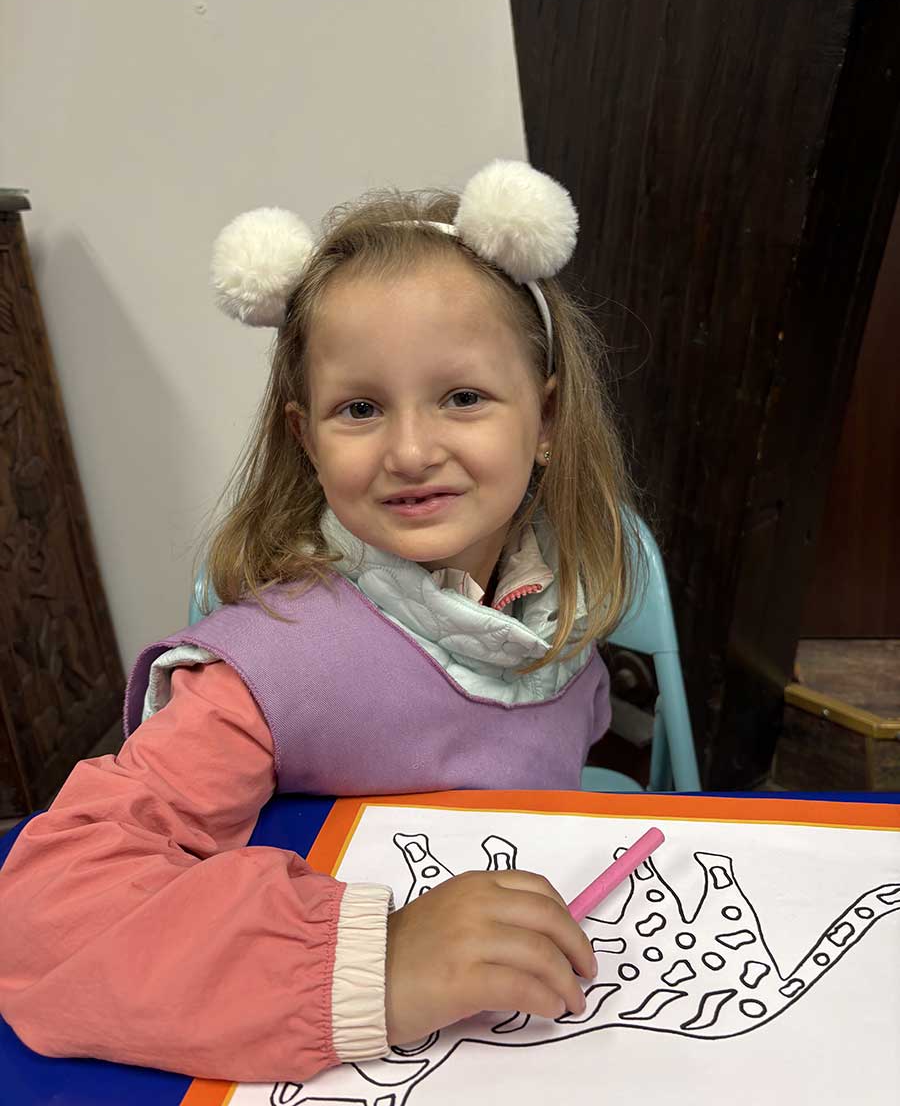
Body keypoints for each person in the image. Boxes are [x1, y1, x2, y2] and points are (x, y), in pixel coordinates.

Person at [0, 160, 642, 1084]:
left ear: (544, 419)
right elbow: (44, 919)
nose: (411, 450)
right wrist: (380, 963)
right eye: (361, 408)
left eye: (462, 397)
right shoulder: (270, 671)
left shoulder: (564, 610)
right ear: (307, 440)